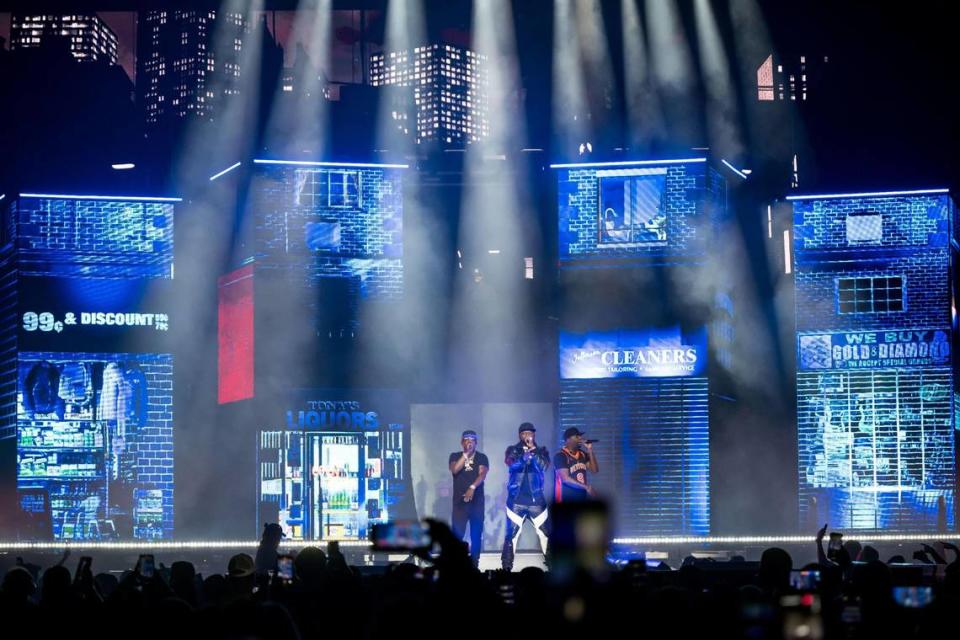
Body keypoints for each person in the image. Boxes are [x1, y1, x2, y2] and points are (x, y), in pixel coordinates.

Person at [502, 422, 551, 572]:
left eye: (530, 433)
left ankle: (552, 566)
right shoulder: (512, 450)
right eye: (524, 433)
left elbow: (544, 466)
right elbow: (511, 465)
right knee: (511, 536)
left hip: (536, 501)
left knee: (546, 534)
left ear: (534, 435)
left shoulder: (541, 450)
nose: (528, 436)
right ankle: (506, 569)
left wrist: (534, 452)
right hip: (516, 501)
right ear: (520, 435)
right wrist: (524, 457)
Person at [449, 429, 489, 567]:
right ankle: (456, 564)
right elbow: (455, 470)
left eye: (472, 440)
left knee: (476, 534)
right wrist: (465, 454)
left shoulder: (482, 457)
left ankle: (474, 563)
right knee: (457, 535)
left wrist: (472, 488)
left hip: (476, 503)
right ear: (462, 442)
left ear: (476, 443)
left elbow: (482, 474)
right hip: (459, 503)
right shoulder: (455, 456)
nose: (469, 442)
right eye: (466, 440)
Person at [554, 427, 599, 502]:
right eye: (577, 436)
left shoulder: (582, 454)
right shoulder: (560, 455)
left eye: (580, 436)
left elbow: (595, 470)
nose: (580, 438)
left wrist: (590, 450)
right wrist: (586, 487)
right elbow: (565, 479)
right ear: (568, 439)